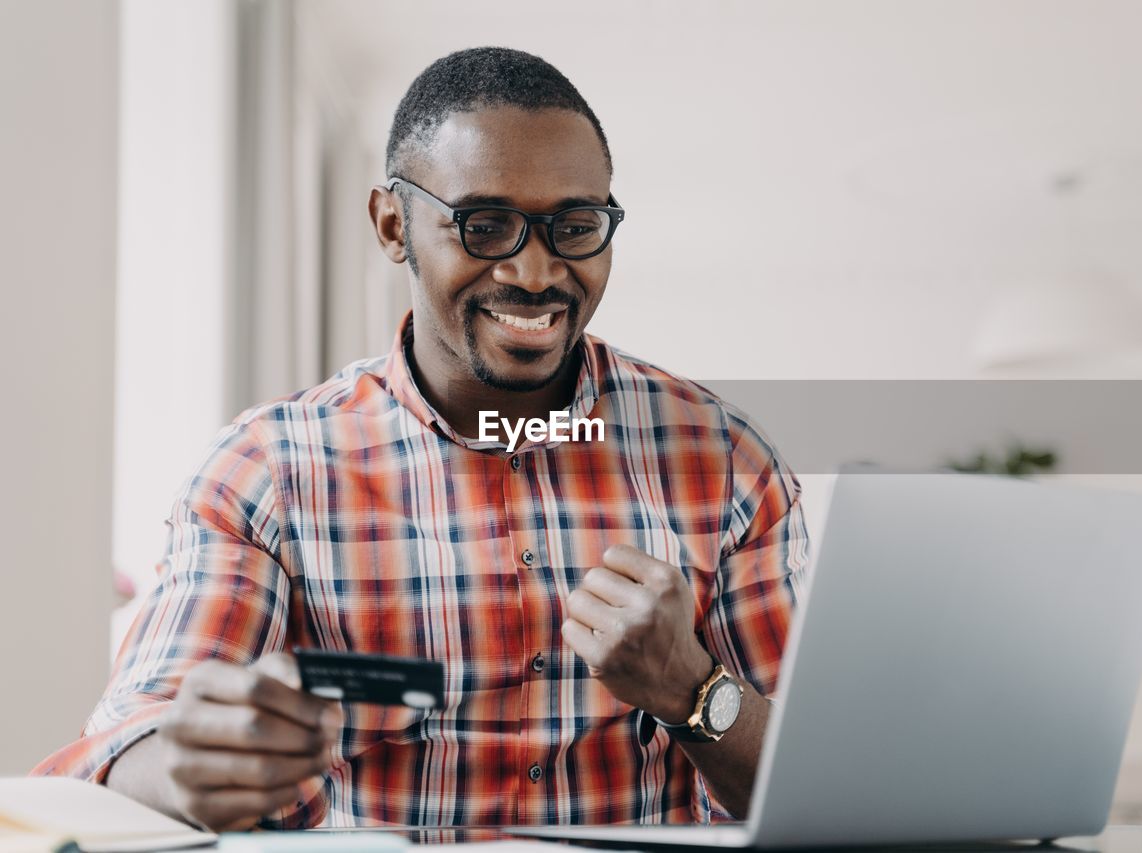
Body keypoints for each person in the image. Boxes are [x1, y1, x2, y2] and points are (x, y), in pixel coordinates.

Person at [35, 47, 808, 832]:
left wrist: (693, 690)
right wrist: (189, 763)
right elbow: (127, 745)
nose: (537, 272)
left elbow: (818, 790)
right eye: (486, 225)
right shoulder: (269, 473)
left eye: (574, 227)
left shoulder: (725, 465)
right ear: (393, 223)